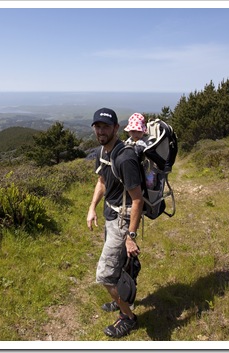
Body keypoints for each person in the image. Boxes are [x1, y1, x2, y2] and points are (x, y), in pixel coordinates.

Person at [87, 107, 144, 338]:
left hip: (122, 220)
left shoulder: (125, 158)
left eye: (106, 127)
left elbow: (137, 199)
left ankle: (128, 317)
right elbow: (102, 181)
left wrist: (131, 237)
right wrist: (91, 208)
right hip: (109, 214)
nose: (101, 131)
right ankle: (121, 300)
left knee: (105, 275)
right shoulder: (104, 151)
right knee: (118, 266)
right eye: (97, 126)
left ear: (116, 129)